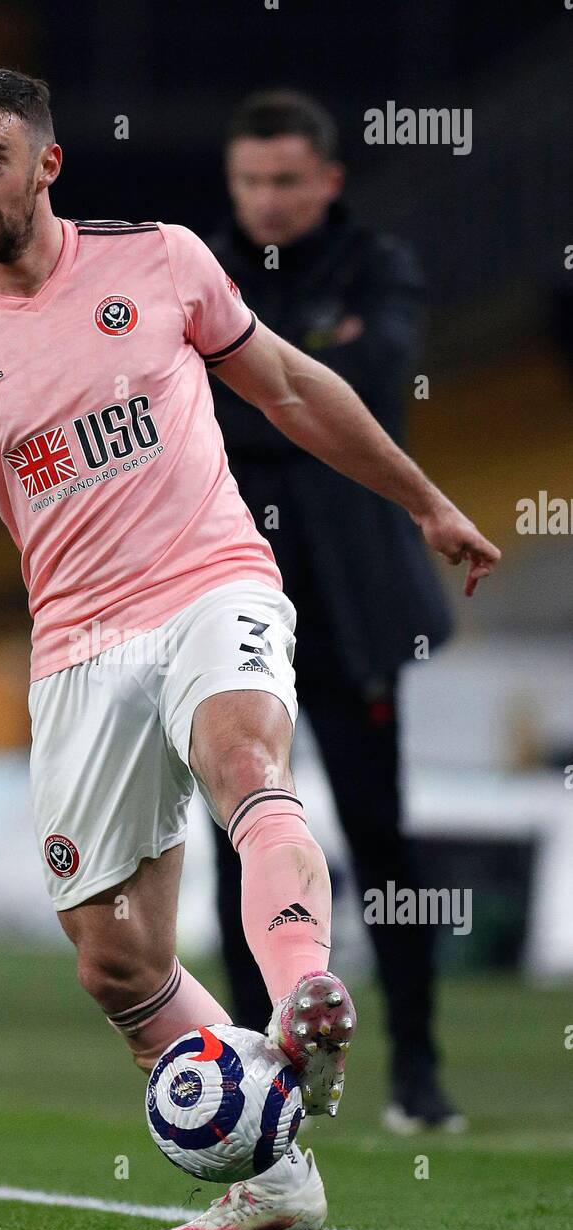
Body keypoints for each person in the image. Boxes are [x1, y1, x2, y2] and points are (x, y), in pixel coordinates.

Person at [0, 68, 499, 1230]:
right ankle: (275, 1177)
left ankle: (297, 1003)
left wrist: (423, 502)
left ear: (48, 163)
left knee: (245, 761)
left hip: (211, 583)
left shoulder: (160, 260)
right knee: (117, 964)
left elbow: (288, 386)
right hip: (75, 648)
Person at [207, 90, 462, 1131]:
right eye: (250, 181)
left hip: (353, 597)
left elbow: (367, 373)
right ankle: (257, 1071)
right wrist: (303, 362)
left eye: (285, 180)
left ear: (328, 180)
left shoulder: (379, 263)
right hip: (232, 592)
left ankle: (417, 1071)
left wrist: (269, 376)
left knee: (379, 836)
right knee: (244, 829)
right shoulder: (199, 269)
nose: (267, 201)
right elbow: (288, 388)